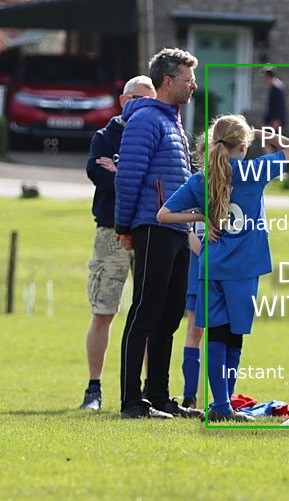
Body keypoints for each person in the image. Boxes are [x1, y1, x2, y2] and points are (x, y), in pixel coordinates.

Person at [157, 115, 289, 422]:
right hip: (244, 268)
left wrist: (201, 219)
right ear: (244, 145)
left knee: (216, 335)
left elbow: (164, 214)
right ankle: (225, 407)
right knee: (234, 338)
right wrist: (263, 133)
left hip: (212, 266)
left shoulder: (201, 178)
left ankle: (221, 405)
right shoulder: (253, 171)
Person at [114, 47, 202, 420]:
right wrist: (124, 226)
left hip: (176, 230)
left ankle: (160, 397)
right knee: (144, 313)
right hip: (152, 227)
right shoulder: (146, 120)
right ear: (168, 82)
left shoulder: (173, 119)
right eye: (187, 79)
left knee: (169, 316)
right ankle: (132, 400)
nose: (193, 85)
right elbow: (129, 176)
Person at [80, 75, 156, 411]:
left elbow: (156, 182)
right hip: (110, 233)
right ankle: (93, 389)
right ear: (125, 101)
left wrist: (120, 172)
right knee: (103, 311)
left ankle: (148, 390)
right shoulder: (104, 137)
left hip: (147, 234)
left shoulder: (157, 135)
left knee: (149, 315)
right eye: (140, 99)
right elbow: (98, 175)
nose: (148, 107)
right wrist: (128, 176)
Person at [180, 131, 211, 410]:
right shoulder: (194, 185)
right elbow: (184, 226)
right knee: (195, 330)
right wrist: (205, 254)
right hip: (197, 267)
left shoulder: (238, 183)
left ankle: (222, 399)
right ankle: (189, 397)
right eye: (206, 152)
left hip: (226, 271)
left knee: (224, 333)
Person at [261, 67, 287, 132]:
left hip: (275, 121)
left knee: (274, 140)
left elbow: (279, 105)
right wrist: (265, 120)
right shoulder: (274, 87)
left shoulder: (277, 88)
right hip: (272, 120)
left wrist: (277, 119)